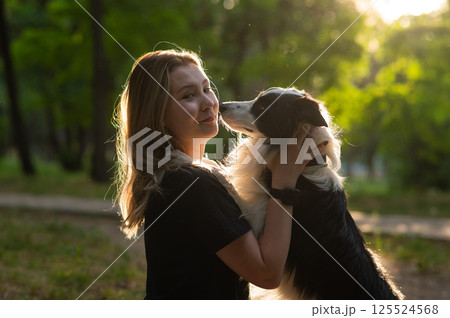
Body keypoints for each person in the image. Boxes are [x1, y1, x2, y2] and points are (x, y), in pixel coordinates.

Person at [114, 49, 312, 300]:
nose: (208, 102)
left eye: (207, 89)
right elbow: (267, 273)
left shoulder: (190, 173)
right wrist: (284, 182)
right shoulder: (190, 184)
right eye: (188, 95)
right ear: (159, 117)